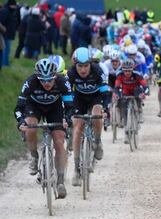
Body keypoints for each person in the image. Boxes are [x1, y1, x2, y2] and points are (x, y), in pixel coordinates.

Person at [14, 58, 73, 199]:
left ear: (55, 76)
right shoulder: (30, 82)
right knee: (30, 126)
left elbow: (71, 107)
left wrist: (67, 119)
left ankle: (60, 181)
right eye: (43, 80)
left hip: (55, 108)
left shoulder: (63, 82)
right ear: (37, 77)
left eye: (50, 80)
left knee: (59, 141)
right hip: (34, 107)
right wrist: (20, 121)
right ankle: (34, 156)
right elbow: (18, 108)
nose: (46, 83)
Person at [68, 47, 109, 187]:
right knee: (78, 126)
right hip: (79, 98)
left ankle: (97, 141)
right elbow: (66, 92)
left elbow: (105, 92)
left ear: (91, 64)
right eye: (80, 66)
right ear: (75, 65)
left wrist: (107, 109)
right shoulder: (71, 73)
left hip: (95, 97)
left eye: (86, 66)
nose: (83, 70)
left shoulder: (97, 70)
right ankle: (76, 168)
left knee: (97, 114)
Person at [114, 58, 147, 143]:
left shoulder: (137, 75)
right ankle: (126, 132)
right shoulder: (120, 75)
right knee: (123, 107)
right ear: (123, 70)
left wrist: (145, 93)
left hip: (136, 91)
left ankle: (139, 110)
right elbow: (117, 87)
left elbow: (145, 86)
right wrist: (116, 94)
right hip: (126, 92)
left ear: (132, 70)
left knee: (138, 94)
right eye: (125, 71)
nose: (127, 73)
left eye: (129, 71)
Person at [0, 0, 20, 67]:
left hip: (9, 33)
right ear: (10, 5)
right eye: (13, 5)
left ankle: (6, 62)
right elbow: (1, 22)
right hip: (5, 34)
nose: (14, 7)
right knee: (6, 49)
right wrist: (4, 30)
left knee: (7, 49)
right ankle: (5, 63)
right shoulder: (5, 11)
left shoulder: (11, 11)